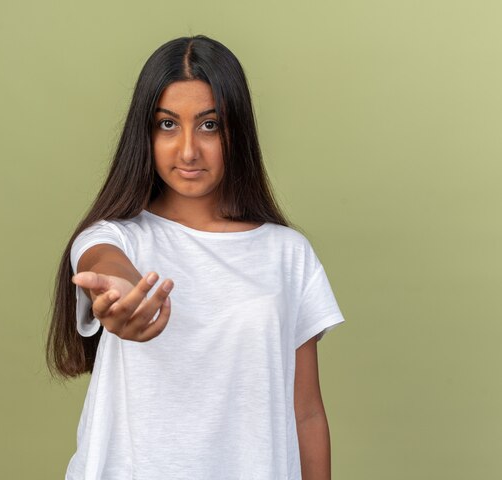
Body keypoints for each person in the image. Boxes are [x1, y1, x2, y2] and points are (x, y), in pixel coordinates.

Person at [46, 34, 346, 480]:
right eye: (168, 124)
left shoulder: (288, 254)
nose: (188, 150)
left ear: (236, 131)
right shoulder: (114, 237)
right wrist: (125, 296)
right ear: (144, 133)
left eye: (209, 125)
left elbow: (305, 414)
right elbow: (104, 264)